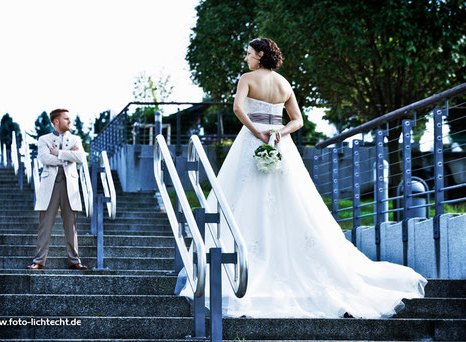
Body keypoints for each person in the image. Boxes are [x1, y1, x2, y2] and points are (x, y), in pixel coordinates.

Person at [176, 38, 427, 318]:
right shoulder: (284, 84)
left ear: (260, 55)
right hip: (279, 144)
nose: (245, 58)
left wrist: (257, 132)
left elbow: (237, 109)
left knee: (241, 196)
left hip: (253, 140)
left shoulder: (247, 78)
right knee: (291, 203)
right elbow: (298, 120)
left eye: (248, 54)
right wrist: (279, 133)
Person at [27, 109, 88, 270]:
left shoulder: (75, 138)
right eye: (66, 119)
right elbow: (44, 158)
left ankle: (75, 261)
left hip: (70, 186)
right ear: (56, 121)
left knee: (71, 225)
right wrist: (68, 156)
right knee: (45, 224)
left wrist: (59, 153)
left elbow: (81, 157)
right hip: (50, 186)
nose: (70, 121)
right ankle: (39, 261)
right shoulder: (44, 139)